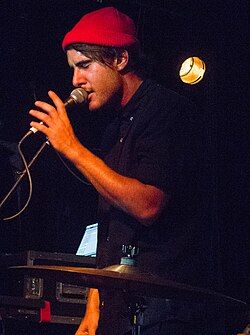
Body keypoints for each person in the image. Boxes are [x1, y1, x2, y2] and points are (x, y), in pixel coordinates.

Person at [29, 6, 225, 335]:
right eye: (73, 68)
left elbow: (147, 205)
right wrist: (92, 308)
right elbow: (112, 227)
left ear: (120, 59)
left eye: (84, 66)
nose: (75, 80)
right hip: (121, 307)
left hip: (165, 312)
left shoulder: (166, 111)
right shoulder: (114, 127)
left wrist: (72, 147)